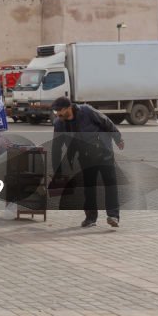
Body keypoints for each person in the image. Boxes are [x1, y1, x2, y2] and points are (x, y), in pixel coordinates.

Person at [51, 95, 125, 228]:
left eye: (59, 111)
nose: (57, 114)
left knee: (110, 185)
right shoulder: (59, 124)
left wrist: (118, 138)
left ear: (68, 108)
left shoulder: (86, 111)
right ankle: (91, 218)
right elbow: (56, 148)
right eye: (55, 112)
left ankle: (113, 215)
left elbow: (106, 122)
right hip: (85, 157)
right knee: (89, 188)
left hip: (103, 153)